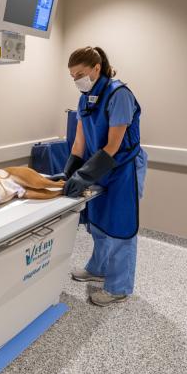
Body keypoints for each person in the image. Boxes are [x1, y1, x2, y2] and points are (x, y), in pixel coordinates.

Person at [58, 46, 148, 307]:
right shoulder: (85, 98)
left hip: (122, 169)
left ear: (97, 68)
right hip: (99, 166)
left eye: (81, 74)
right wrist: (69, 172)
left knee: (119, 226)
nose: (77, 80)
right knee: (97, 223)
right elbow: (79, 142)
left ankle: (118, 287)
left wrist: (84, 175)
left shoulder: (118, 94)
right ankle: (98, 268)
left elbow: (114, 146)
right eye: (72, 76)